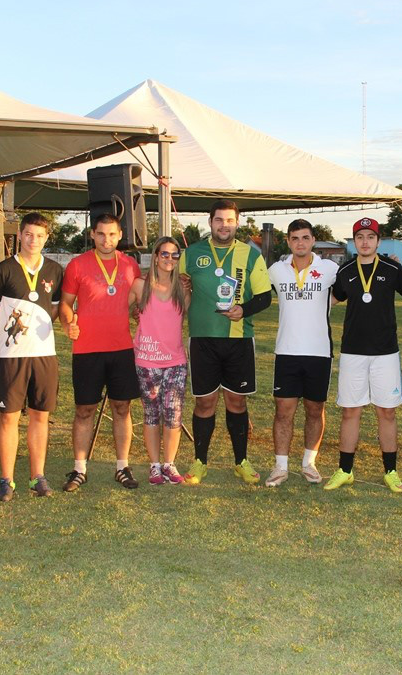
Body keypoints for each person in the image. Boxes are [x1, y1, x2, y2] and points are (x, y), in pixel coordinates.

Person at [178, 199, 273, 485]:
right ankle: (199, 463)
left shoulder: (250, 255)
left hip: (238, 339)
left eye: (229, 220)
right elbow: (181, 291)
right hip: (203, 339)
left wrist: (244, 309)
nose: (224, 225)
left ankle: (241, 461)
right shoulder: (191, 253)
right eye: (219, 220)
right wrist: (184, 289)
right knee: (204, 403)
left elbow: (264, 297)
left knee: (237, 402)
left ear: (237, 223)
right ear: (210, 222)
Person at [324, 218, 402, 493]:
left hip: (385, 352)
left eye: (370, 237)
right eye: (360, 237)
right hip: (353, 351)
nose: (365, 242)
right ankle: (345, 470)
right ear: (354, 242)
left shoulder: (391, 268)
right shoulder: (346, 271)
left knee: (386, 411)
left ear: (378, 240)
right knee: (351, 411)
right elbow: (334, 298)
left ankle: (391, 471)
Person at [59, 214, 142, 491]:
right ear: (93, 234)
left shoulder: (131, 265)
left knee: (122, 408)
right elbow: (65, 303)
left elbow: (132, 302)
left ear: (120, 236)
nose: (107, 240)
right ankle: (79, 469)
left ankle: (122, 466)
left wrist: (135, 312)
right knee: (84, 410)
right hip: (87, 349)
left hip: (121, 349)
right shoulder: (77, 265)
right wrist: (68, 322)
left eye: (112, 234)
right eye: (101, 234)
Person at [0, 213, 64, 500]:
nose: (34, 240)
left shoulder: (55, 270)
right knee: (9, 417)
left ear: (46, 238)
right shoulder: (3, 269)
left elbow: (54, 310)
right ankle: (6, 479)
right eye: (29, 234)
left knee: (40, 416)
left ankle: (37, 476)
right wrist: (13, 332)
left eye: (40, 236)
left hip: (44, 354)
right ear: (20, 235)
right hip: (12, 355)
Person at [265, 219, 339, 487]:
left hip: (319, 352)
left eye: (305, 238)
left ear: (313, 240)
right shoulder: (276, 270)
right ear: (288, 241)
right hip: (287, 351)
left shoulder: (330, 269)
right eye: (295, 238)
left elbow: (349, 289)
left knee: (314, 409)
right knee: (283, 410)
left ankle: (309, 463)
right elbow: (256, 290)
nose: (300, 243)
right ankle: (280, 466)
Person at [130, 237, 189, 485]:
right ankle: (155, 466)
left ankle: (169, 464)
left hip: (175, 361)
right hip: (146, 361)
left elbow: (184, 318)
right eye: (164, 254)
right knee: (151, 415)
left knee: (173, 415)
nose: (169, 259)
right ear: (155, 256)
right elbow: (122, 311)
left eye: (175, 255)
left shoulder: (183, 288)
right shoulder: (139, 285)